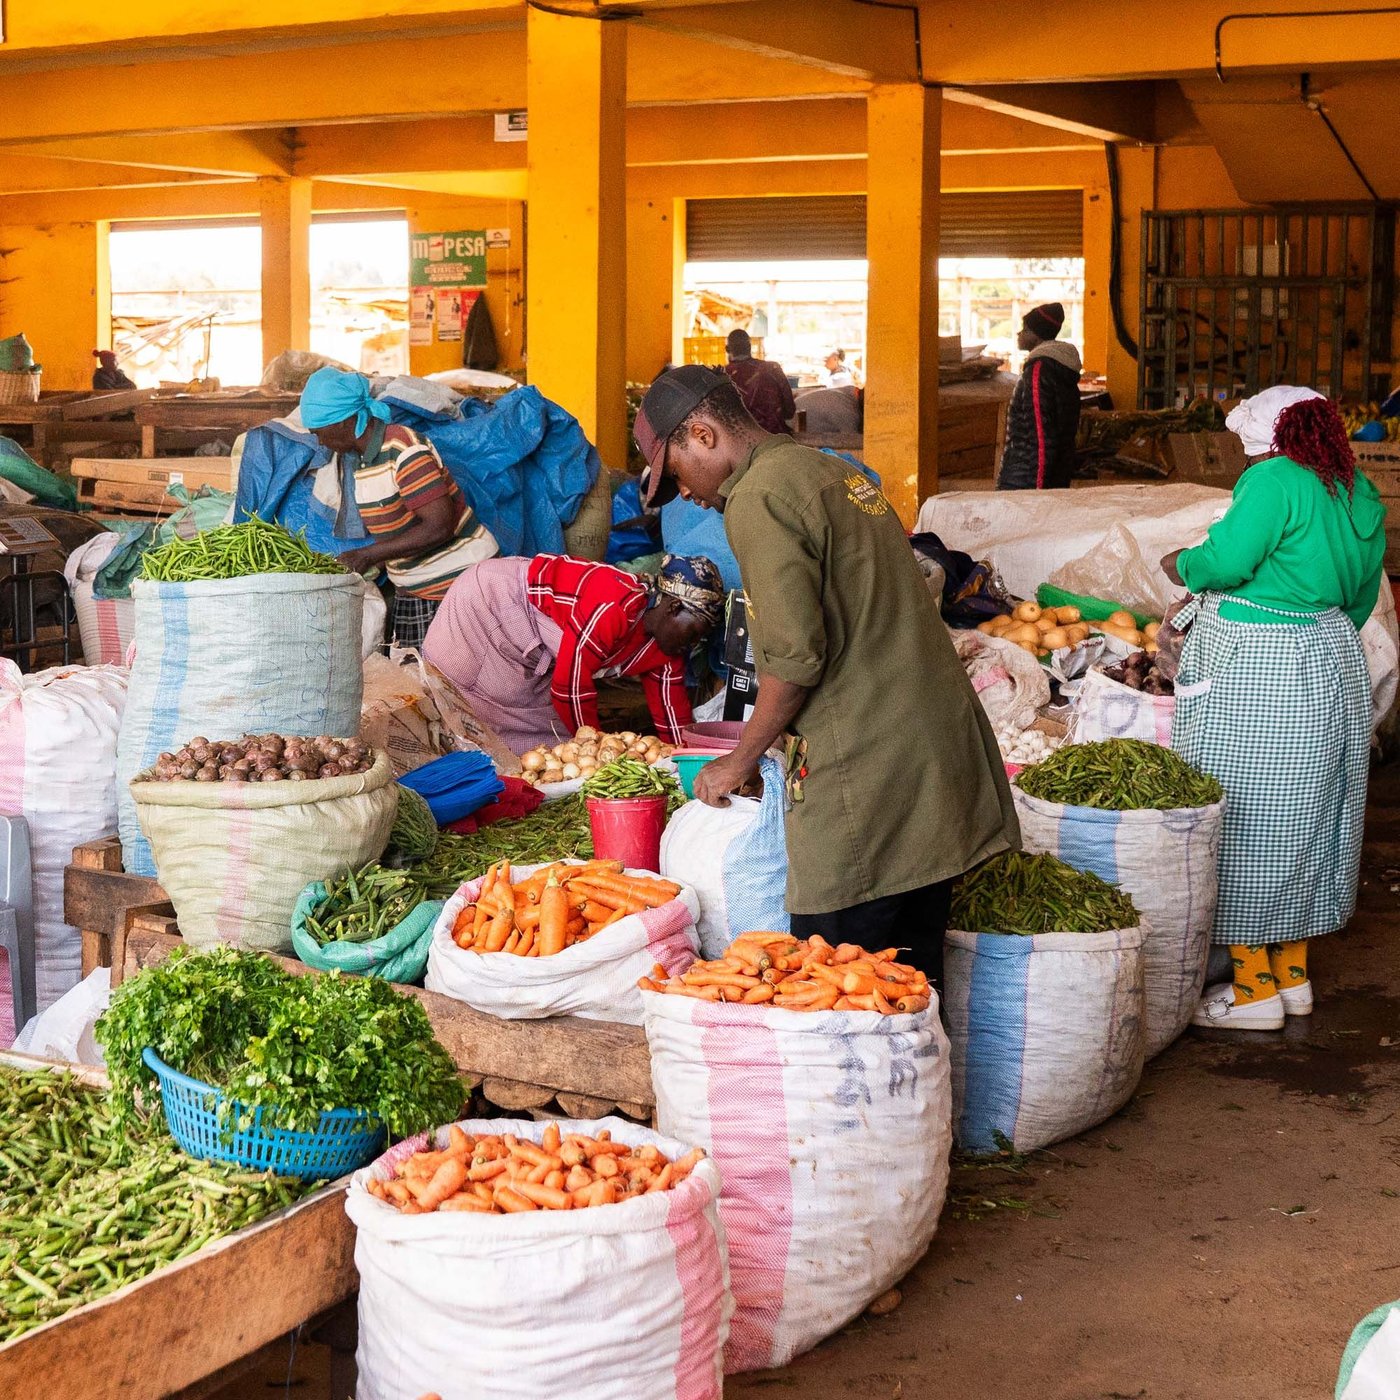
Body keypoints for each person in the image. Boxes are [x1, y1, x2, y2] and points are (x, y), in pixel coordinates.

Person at [634, 366, 1017, 988]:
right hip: (927, 752)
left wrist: (740, 759)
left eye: (674, 475)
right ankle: (919, 1084)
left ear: (701, 435)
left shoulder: (759, 497)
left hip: (865, 763)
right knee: (912, 976)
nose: (686, 496)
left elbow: (794, 660)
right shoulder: (830, 470)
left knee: (835, 972)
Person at [1162, 388, 1385, 1031]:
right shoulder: (1353, 488)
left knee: (1250, 816)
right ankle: (1292, 979)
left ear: (1271, 434)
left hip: (1262, 660)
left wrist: (1186, 564)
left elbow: (1228, 560)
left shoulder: (1273, 479)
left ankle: (1253, 992)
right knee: (1310, 814)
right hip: (1332, 653)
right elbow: (1365, 593)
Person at [423, 551, 723, 753]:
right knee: (463, 701)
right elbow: (570, 689)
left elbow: (672, 714)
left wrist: (686, 760)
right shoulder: (615, 604)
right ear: (673, 608)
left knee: (547, 733)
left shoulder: (666, 648)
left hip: (531, 642)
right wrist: (599, 747)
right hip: (488, 605)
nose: (692, 644)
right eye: (694, 632)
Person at [298, 366, 497, 651]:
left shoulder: (403, 448)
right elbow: (398, 527)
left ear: (343, 422)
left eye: (320, 432)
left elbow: (439, 526)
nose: (320, 442)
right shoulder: (365, 460)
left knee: (444, 685)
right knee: (414, 683)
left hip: (452, 587)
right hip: (415, 586)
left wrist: (367, 555)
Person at [996, 302, 1082, 491]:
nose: (1019, 334)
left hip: (1026, 478)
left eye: (1025, 330)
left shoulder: (1038, 371)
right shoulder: (1060, 368)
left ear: (1036, 335)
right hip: (1052, 475)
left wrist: (1038, 490)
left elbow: (1040, 435)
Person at [722, 329, 795, 435]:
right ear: (750, 347)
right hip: (776, 438)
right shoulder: (772, 369)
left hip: (740, 441)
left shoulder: (722, 376)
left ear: (727, 349)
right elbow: (789, 411)